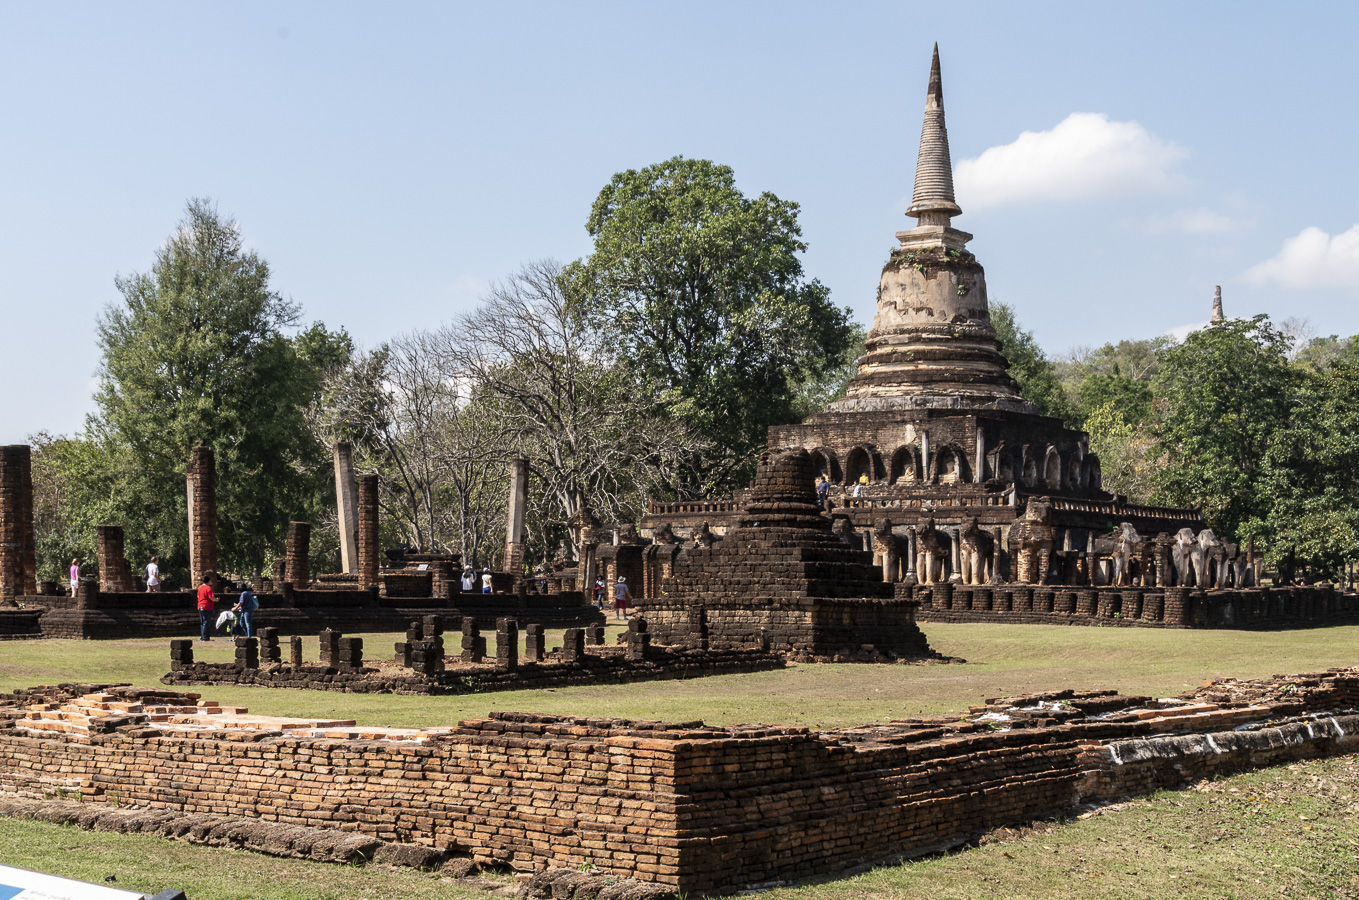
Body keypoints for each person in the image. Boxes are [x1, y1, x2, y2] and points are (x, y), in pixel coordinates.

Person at [196, 575, 216, 642]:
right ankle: (205, 638)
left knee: (202, 622)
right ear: (208, 581)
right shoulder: (208, 588)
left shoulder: (200, 588)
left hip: (200, 606)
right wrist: (217, 600)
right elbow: (211, 598)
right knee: (206, 622)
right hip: (206, 607)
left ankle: (203, 637)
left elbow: (198, 596)